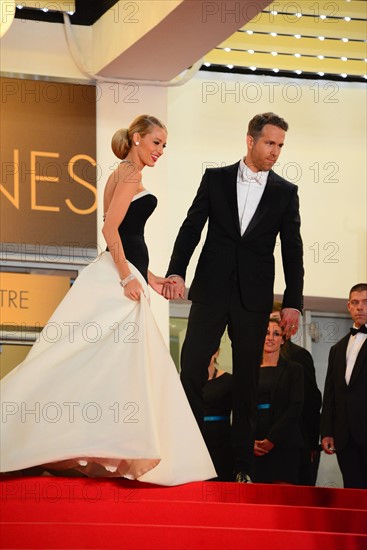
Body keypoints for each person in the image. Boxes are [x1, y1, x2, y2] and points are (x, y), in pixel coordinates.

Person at [0, 115, 216, 486]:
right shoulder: (129, 176)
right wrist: (128, 277)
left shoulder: (124, 173)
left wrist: (151, 277)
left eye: (165, 145)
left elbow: (128, 238)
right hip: (116, 279)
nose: (160, 151)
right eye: (156, 143)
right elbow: (110, 229)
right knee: (99, 361)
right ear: (137, 138)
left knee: (98, 363)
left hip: (120, 273)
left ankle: (93, 441)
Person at [163, 112, 304, 481]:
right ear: (250, 140)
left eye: (280, 146)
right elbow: (191, 227)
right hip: (211, 289)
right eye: (269, 143)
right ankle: (187, 456)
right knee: (192, 370)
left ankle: (243, 466)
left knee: (246, 382)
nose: (275, 152)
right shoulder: (216, 178)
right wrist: (177, 270)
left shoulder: (285, 193)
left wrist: (293, 301)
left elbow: (293, 249)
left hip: (254, 298)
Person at [320, 283, 367, 489]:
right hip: (345, 436)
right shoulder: (337, 349)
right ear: (348, 306)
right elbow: (330, 393)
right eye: (355, 303)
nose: (360, 307)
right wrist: (327, 431)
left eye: (365, 302)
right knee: (352, 490)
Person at [272, 301, 322, 486]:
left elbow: (312, 401)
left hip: (296, 439)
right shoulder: (255, 357)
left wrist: (311, 442)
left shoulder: (299, 356)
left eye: (278, 321)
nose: (274, 327)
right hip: (263, 441)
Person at [253, 319, 304, 484]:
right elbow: (242, 407)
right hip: (254, 445)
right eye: (266, 333)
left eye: (276, 334)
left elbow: (295, 407)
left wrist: (272, 439)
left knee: (283, 498)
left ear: (283, 340)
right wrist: (249, 441)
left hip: (285, 442)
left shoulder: (294, 369)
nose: (270, 338)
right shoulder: (248, 371)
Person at [203, 349, 233, 481]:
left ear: (216, 353)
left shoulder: (229, 381)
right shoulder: (188, 381)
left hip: (222, 441)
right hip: (197, 440)